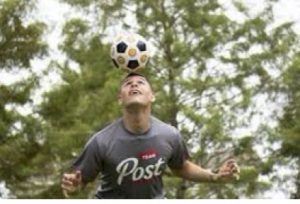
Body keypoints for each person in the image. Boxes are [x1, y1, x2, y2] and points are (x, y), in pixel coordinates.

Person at [61, 72, 240, 199]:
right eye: (127, 84)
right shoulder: (101, 142)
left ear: (152, 96)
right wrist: (73, 188)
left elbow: (181, 166)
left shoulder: (169, 135)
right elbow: (78, 184)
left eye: (140, 82)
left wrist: (214, 176)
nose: (134, 84)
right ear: (120, 99)